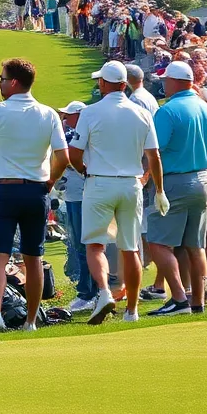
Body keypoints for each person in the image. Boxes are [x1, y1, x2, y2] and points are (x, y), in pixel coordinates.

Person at [0, 58, 70, 334]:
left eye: (1, 78)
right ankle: (31, 321)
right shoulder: (48, 114)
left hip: (5, 190)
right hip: (36, 190)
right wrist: (51, 181)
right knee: (33, 257)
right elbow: (63, 156)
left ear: (13, 82)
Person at [66, 60, 163, 324]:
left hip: (99, 182)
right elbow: (153, 156)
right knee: (130, 248)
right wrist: (159, 189)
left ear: (103, 83)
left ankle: (105, 292)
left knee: (95, 245)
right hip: (131, 184)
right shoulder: (141, 112)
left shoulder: (90, 112)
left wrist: (83, 170)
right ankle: (132, 311)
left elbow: (73, 153)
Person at [145, 61, 207, 317]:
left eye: (166, 79)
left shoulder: (168, 111)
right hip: (202, 180)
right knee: (195, 244)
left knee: (157, 243)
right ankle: (197, 301)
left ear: (176, 81)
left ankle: (178, 299)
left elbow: (154, 151)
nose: (163, 83)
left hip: (174, 181)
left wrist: (146, 176)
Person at [54, 101, 95, 312]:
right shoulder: (75, 134)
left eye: (68, 116)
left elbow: (70, 158)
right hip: (73, 195)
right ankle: (89, 291)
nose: (64, 119)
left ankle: (89, 293)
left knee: (84, 245)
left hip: (81, 196)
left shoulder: (81, 135)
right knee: (81, 245)